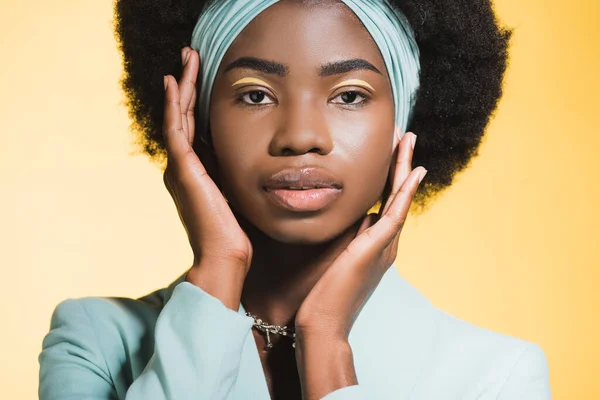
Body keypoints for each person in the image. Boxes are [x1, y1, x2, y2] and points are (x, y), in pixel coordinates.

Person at [38, 0, 551, 399]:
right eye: (255, 94)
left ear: (408, 125)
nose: (301, 136)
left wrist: (327, 344)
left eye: (349, 95)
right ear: (195, 122)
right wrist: (219, 267)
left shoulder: (496, 377)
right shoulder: (97, 342)